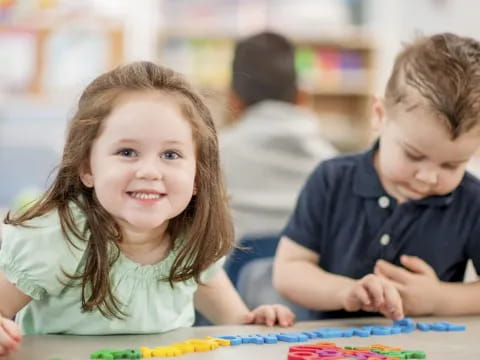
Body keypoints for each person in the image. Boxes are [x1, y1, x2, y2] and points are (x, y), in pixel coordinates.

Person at [0, 62, 295, 358]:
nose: (150, 171)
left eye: (171, 154)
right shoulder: (58, 236)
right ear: (87, 167)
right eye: (127, 152)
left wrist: (259, 321)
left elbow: (237, 325)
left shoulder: (190, 239)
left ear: (197, 176)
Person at [273, 33, 480, 321]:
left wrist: (438, 299)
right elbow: (288, 271)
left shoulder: (472, 201)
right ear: (379, 115)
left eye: (452, 165)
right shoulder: (331, 180)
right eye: (414, 155)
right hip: (329, 349)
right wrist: (346, 292)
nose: (429, 177)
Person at [220, 31, 337, 240]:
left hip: (228, 271)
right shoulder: (334, 168)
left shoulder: (212, 159)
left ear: (234, 101)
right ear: (302, 96)